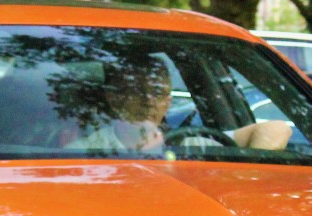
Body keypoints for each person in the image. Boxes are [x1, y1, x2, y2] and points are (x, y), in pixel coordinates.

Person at [69, 55, 290, 152]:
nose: (148, 100)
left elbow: (277, 129)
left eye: (157, 92)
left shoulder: (191, 145)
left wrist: (249, 176)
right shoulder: (85, 152)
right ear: (114, 97)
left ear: (168, 102)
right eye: (136, 90)